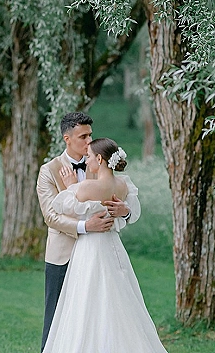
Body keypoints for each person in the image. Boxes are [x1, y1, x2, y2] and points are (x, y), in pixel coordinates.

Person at [42, 137, 168, 353]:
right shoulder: (123, 185)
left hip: (90, 248)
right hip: (112, 246)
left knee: (86, 299)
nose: (86, 158)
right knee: (117, 296)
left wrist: (73, 186)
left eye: (89, 156)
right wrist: (125, 210)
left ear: (99, 159)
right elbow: (133, 212)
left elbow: (62, 206)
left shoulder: (86, 187)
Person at [36, 114, 138, 351]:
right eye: (83, 136)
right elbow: (51, 215)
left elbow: (119, 200)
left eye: (91, 135)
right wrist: (84, 227)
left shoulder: (99, 164)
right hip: (63, 254)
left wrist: (125, 211)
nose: (89, 141)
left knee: (101, 317)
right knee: (56, 320)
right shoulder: (49, 171)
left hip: (98, 256)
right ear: (67, 138)